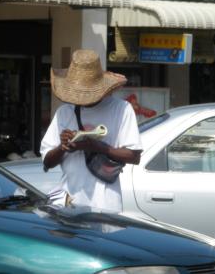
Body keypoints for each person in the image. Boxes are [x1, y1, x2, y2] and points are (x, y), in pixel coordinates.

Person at [40, 49, 142, 212]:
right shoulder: (65, 112)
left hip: (106, 204)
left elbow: (134, 156)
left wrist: (95, 147)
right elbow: (47, 162)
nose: (83, 99)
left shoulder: (121, 109)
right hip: (69, 202)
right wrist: (63, 146)